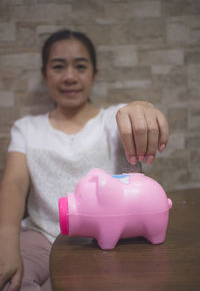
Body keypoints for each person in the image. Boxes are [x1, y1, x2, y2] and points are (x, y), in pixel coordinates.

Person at [0, 29, 169, 291]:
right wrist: (6, 241)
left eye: (80, 66)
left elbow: (134, 113)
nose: (69, 76)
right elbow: (14, 184)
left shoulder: (113, 121)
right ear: (45, 75)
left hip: (102, 238)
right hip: (40, 236)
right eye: (58, 67)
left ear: (94, 74)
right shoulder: (27, 128)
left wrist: (142, 107)